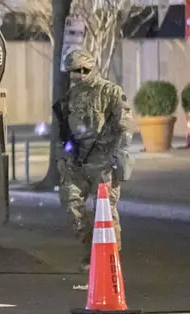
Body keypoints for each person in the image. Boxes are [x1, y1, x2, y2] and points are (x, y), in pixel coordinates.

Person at [55, 47, 133, 273]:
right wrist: (64, 155)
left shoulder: (110, 91)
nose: (76, 75)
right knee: (70, 201)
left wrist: (118, 154)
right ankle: (91, 247)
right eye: (72, 71)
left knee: (106, 210)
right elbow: (65, 130)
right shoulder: (71, 95)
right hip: (78, 159)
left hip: (104, 158)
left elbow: (125, 126)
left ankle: (110, 255)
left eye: (81, 70)